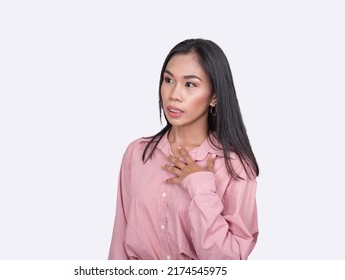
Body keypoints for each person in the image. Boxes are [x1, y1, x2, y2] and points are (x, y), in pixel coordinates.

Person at [108, 38, 259, 260]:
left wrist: (201, 187)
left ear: (214, 96)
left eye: (190, 84)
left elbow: (229, 262)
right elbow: (119, 244)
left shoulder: (235, 166)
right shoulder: (137, 153)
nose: (174, 95)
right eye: (168, 80)